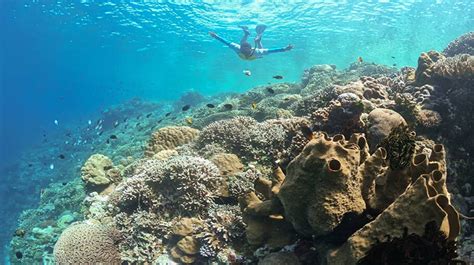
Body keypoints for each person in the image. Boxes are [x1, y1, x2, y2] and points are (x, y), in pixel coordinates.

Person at [209, 25, 293, 60]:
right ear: (241, 48)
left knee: (262, 50)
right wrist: (216, 36)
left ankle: (256, 38)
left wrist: (284, 49)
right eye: (243, 49)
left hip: (255, 54)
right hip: (253, 55)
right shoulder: (238, 48)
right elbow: (226, 42)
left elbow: (272, 51)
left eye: (245, 50)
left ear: (251, 49)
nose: (244, 52)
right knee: (242, 42)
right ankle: (248, 35)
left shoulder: (256, 52)